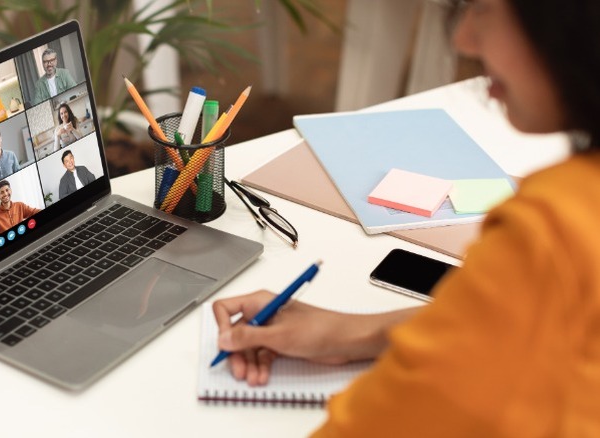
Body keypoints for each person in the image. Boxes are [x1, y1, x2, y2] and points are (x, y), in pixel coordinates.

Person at [212, 0, 600, 435]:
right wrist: (356, 333)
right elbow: (500, 332)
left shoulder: (550, 231)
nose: (463, 39)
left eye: (483, 8)